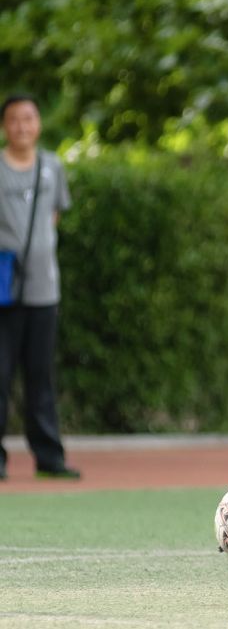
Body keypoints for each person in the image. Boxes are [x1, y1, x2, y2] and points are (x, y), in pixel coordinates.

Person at [0, 94, 80, 480]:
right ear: (5, 125)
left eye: (28, 118)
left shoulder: (52, 167)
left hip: (44, 289)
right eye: (14, 119)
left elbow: (54, 215)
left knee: (40, 374)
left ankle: (49, 457)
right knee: (0, 375)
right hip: (4, 291)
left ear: (38, 124)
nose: (22, 126)